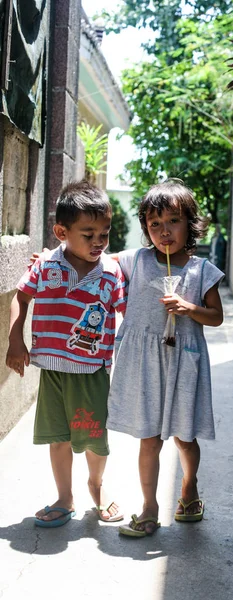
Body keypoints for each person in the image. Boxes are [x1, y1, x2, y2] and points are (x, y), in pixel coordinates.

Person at [106, 178, 224, 537]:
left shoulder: (201, 270)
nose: (164, 231)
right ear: (146, 229)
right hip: (144, 366)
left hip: (183, 364)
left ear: (190, 222)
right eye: (154, 224)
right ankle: (150, 507)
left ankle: (189, 488)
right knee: (149, 438)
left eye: (172, 220)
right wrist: (51, 256)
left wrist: (190, 308)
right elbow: (92, 258)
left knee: (185, 438)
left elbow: (216, 317)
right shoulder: (135, 261)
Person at [5, 181, 127, 527]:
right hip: (52, 370)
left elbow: (126, 313)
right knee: (57, 437)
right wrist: (16, 340)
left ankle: (97, 485)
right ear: (61, 232)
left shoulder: (111, 273)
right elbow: (21, 297)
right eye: (88, 235)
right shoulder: (46, 266)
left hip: (92, 371)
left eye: (104, 233)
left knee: (94, 439)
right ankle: (64, 496)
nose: (98, 242)